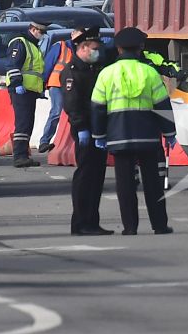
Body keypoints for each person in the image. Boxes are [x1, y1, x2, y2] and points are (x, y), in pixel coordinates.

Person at [91, 27, 173, 235]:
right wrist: (169, 133)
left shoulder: (106, 74)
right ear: (140, 48)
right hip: (147, 136)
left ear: (118, 49)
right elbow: (163, 106)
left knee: (125, 185)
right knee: (153, 183)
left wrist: (99, 135)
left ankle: (130, 227)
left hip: (119, 137)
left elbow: (98, 108)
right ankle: (160, 225)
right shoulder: (150, 72)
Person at [62, 31, 112, 236]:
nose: (97, 52)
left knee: (97, 176)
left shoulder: (94, 68)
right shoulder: (72, 71)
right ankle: (81, 222)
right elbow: (72, 103)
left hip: (98, 128)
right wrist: (81, 127)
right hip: (85, 128)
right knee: (85, 176)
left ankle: (92, 221)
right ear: (82, 48)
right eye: (94, 49)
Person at [5, 20, 48, 167]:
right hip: (21, 90)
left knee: (28, 123)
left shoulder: (33, 46)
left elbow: (36, 71)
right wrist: (17, 83)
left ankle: (23, 155)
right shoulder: (20, 43)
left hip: (30, 91)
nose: (41, 35)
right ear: (32, 29)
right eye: (40, 31)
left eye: (43, 32)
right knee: (23, 123)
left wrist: (40, 89)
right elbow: (12, 65)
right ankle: (19, 156)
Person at [37, 34, 68, 153]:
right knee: (56, 111)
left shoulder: (82, 49)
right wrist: (42, 84)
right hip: (56, 84)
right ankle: (44, 141)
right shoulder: (61, 46)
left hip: (70, 85)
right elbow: (48, 65)